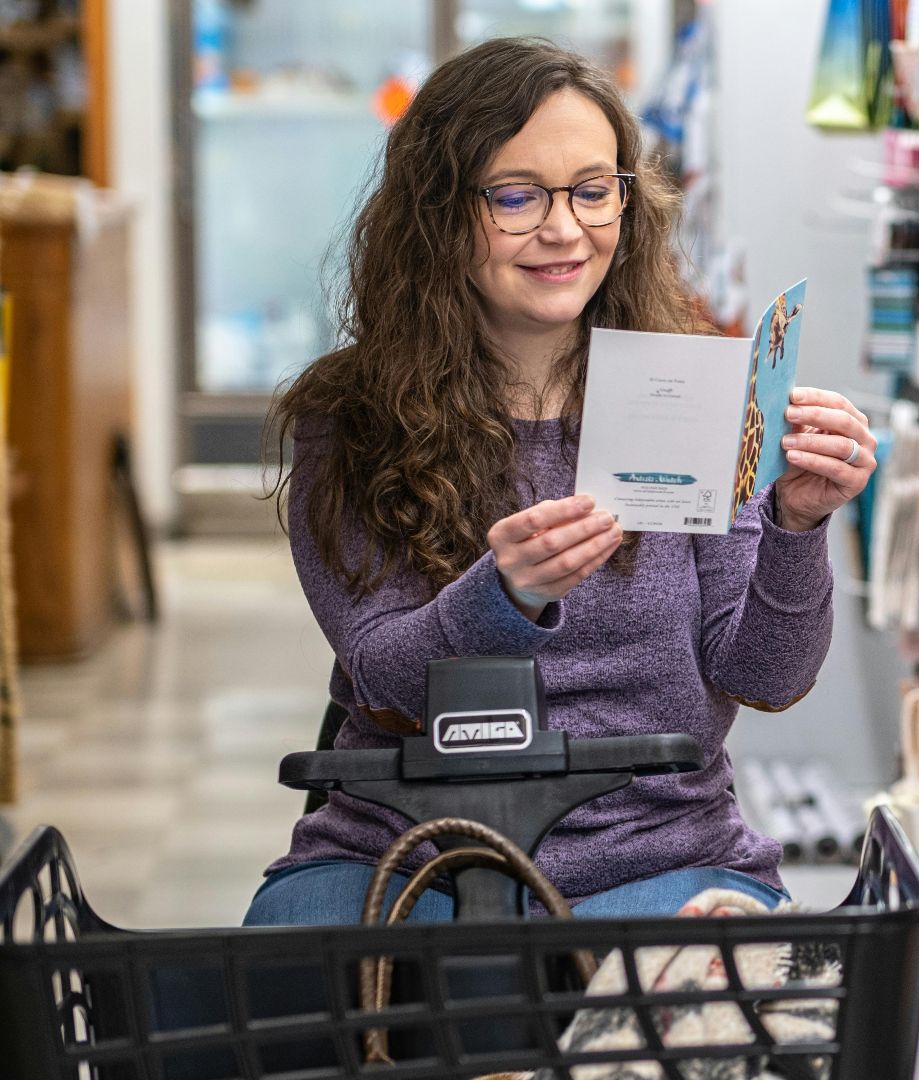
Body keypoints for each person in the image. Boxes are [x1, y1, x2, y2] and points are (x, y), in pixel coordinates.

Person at [245, 38, 875, 925]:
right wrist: (502, 595)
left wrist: (797, 528)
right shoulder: (350, 414)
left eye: (592, 189)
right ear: (436, 213)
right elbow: (384, 677)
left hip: (657, 852)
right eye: (516, 195)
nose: (565, 230)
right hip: (407, 850)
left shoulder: (689, 392)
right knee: (290, 1001)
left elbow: (764, 673)